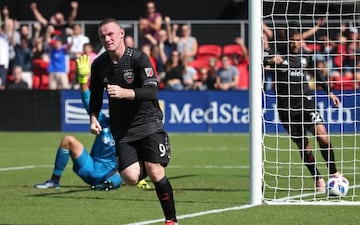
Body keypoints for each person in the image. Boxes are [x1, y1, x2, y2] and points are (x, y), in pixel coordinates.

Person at [89, 19, 177, 225]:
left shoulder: (138, 58)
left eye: (110, 34)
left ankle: (171, 220)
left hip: (149, 122)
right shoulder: (99, 64)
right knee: (129, 178)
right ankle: (149, 160)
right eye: (103, 36)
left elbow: (152, 90)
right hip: (122, 129)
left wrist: (124, 92)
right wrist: (93, 117)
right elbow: (95, 94)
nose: (107, 39)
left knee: (155, 171)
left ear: (121, 34)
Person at [34, 55, 151, 190]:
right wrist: (83, 81)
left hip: (109, 175)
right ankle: (54, 181)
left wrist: (139, 177)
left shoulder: (130, 133)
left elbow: (141, 156)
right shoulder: (104, 122)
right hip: (90, 167)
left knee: (119, 176)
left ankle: (109, 185)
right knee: (68, 140)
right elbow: (88, 102)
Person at [265, 21, 343, 192]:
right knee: (304, 145)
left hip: (307, 102)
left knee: (322, 136)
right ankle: (317, 178)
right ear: (288, 40)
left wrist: (329, 92)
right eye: (292, 40)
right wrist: (270, 60)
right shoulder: (278, 52)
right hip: (286, 108)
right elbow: (260, 63)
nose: (295, 43)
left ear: (302, 40)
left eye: (298, 40)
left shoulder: (306, 55)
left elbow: (317, 72)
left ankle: (334, 173)